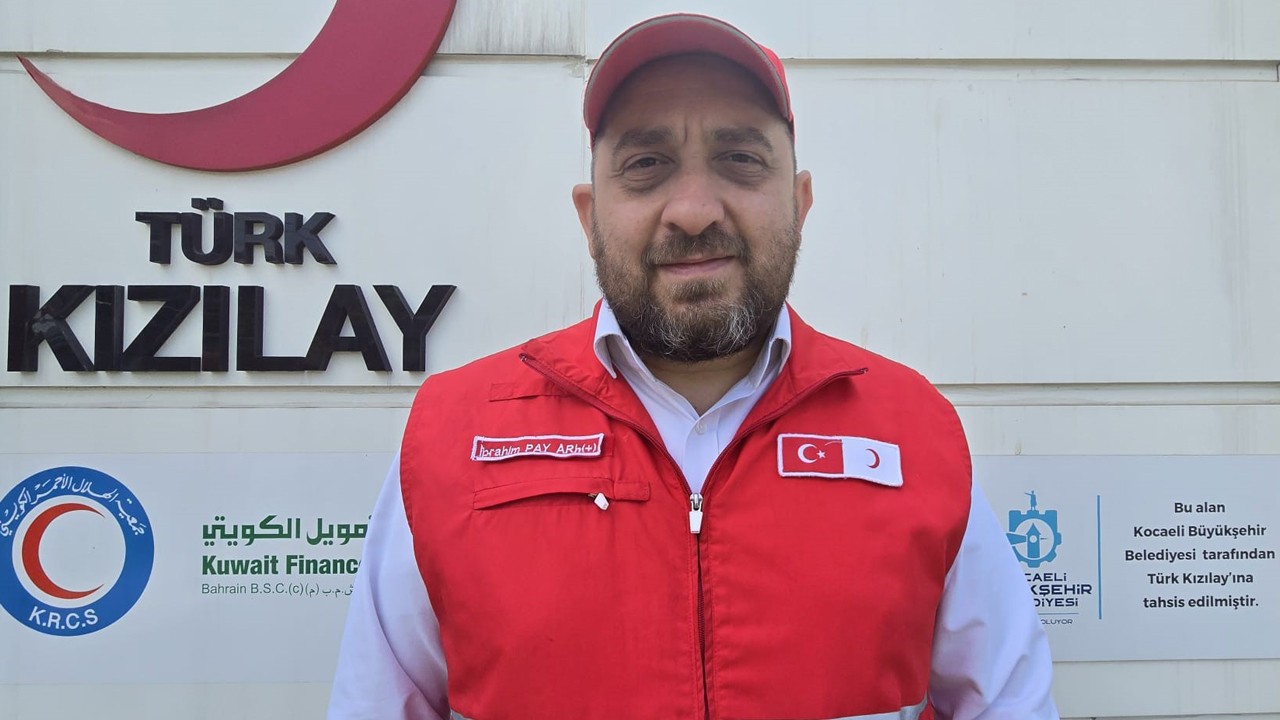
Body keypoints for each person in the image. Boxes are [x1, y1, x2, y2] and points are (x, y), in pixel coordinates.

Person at [328, 12, 1059, 720]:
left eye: (740, 159)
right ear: (588, 217)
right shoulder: (453, 435)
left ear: (800, 203)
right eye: (646, 165)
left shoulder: (914, 431)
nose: (693, 210)